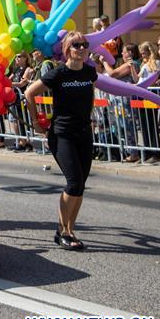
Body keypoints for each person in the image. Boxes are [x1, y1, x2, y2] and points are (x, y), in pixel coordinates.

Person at [26, 31, 97, 251]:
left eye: (84, 45)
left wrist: (90, 116)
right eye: (77, 45)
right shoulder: (58, 74)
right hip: (62, 134)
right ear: (67, 49)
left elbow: (91, 94)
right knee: (73, 182)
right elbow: (29, 93)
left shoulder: (89, 72)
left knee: (80, 185)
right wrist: (37, 123)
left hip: (84, 133)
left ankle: (70, 230)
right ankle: (61, 231)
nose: (82, 48)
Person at [7, 52, 35, 152]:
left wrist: (8, 84)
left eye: (19, 57)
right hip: (13, 97)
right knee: (14, 120)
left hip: (21, 97)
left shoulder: (28, 69)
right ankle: (19, 140)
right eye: (15, 57)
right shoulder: (16, 69)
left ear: (25, 58)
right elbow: (8, 79)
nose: (16, 59)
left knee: (22, 120)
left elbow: (22, 84)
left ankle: (25, 142)